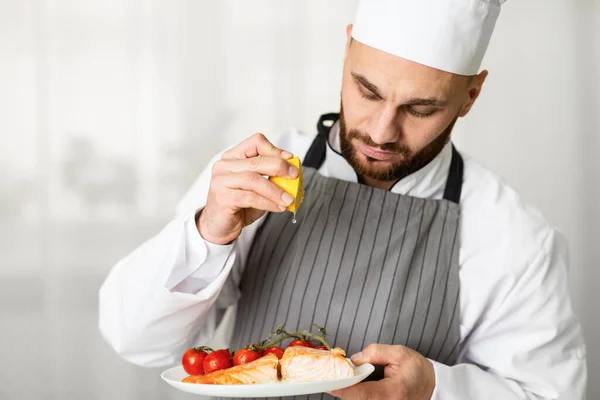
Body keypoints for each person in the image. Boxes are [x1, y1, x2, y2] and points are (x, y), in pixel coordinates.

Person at [99, 0, 587, 399]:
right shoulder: (253, 173)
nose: (381, 131)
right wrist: (209, 233)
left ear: (471, 95)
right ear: (347, 48)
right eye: (367, 91)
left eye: (421, 108)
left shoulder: (514, 236)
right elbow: (136, 342)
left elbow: (548, 394)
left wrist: (437, 389)